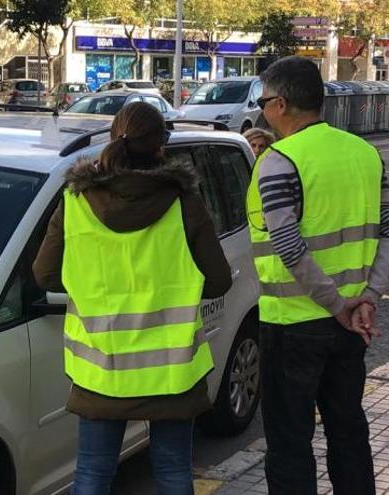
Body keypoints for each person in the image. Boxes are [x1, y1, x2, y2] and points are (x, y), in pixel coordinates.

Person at [33, 102, 232, 495]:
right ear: (161, 146)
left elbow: (44, 274)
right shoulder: (183, 203)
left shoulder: (75, 202)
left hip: (101, 369)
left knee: (92, 473)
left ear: (113, 138)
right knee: (173, 471)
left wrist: (88, 286)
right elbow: (219, 280)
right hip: (172, 370)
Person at [246, 56, 389, 494]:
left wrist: (338, 306)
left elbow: (287, 245)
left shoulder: (280, 160)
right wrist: (368, 297)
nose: (261, 111)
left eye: (263, 102)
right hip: (352, 326)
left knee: (289, 443)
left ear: (281, 104)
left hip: (293, 327)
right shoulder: (364, 154)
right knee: (348, 432)